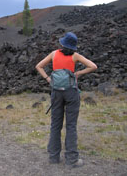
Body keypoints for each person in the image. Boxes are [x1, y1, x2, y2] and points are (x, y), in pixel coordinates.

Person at [35, 32, 97, 168]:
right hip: (71, 92)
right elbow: (93, 66)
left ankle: (53, 157)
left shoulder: (53, 54)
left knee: (55, 125)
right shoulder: (75, 56)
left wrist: (48, 79)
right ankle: (71, 160)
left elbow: (38, 66)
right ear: (73, 46)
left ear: (62, 44)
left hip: (56, 92)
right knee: (71, 126)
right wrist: (78, 73)